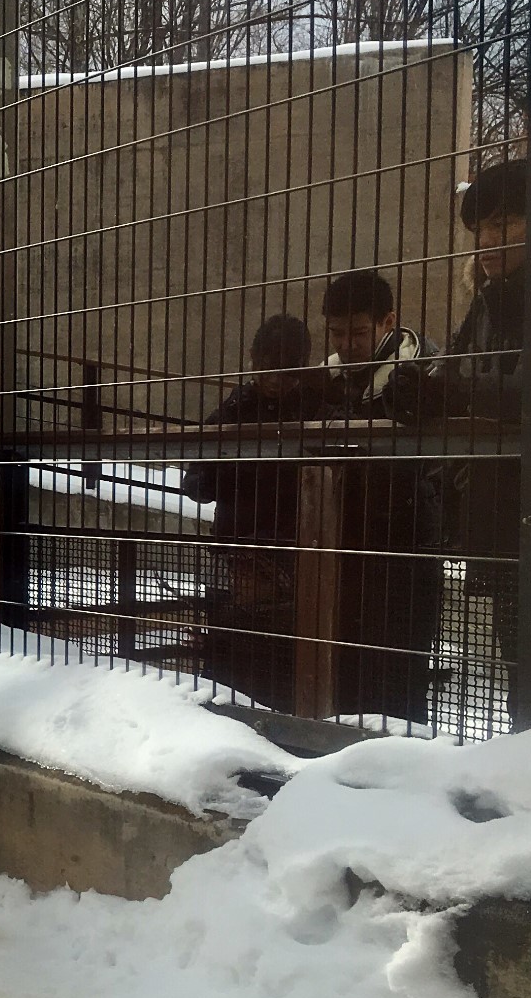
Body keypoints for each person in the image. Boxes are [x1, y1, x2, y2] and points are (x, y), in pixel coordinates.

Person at [311, 269, 445, 725]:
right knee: (347, 670)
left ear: (388, 321)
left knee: (399, 673)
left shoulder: (424, 371)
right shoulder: (328, 378)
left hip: (406, 542)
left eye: (359, 332)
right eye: (337, 333)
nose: (346, 344)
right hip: (345, 542)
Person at [182, 314, 320, 709]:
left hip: (288, 549)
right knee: (231, 648)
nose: (277, 379)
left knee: (278, 654)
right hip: (239, 547)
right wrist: (210, 478)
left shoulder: (314, 406)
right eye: (268, 369)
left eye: (287, 370)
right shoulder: (237, 406)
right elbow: (197, 476)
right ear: (254, 361)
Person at [444, 159, 526, 667]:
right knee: (518, 662)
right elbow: (453, 375)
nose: (486, 243)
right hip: (500, 511)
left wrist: (463, 393)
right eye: (480, 230)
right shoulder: (488, 301)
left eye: (501, 224)